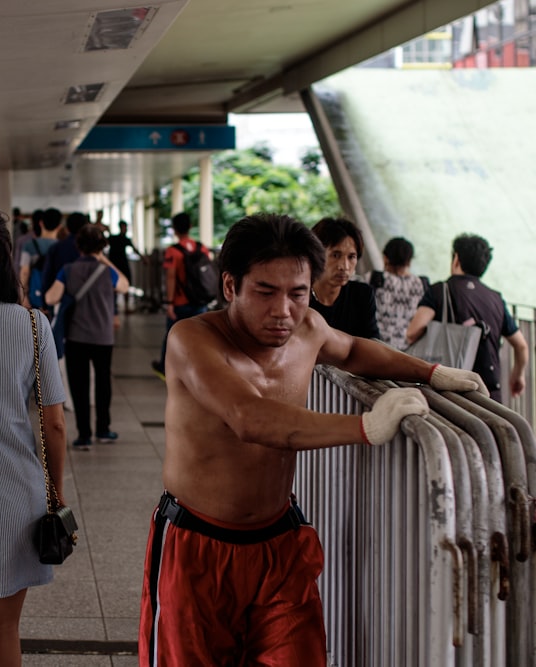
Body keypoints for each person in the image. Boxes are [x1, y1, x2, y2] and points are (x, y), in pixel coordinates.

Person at [139, 213, 487, 667]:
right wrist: (365, 427)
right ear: (230, 286)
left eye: (298, 293)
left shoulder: (308, 329)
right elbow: (250, 418)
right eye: (265, 292)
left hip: (279, 543)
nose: (283, 310)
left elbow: (356, 349)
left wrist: (432, 373)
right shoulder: (192, 339)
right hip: (197, 547)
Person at [0, 209, 68, 667]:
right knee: (4, 629)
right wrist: (55, 494)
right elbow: (54, 424)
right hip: (16, 493)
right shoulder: (33, 325)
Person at [407, 233, 529, 403]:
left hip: (450, 392)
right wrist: (518, 375)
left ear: (456, 259)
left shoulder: (439, 290)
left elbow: (412, 332)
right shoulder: (496, 298)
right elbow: (521, 346)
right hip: (488, 392)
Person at [45, 225, 129, 449]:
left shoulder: (68, 270)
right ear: (101, 247)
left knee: (79, 385)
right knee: (103, 383)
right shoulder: (107, 272)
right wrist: (105, 260)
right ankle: (103, 429)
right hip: (103, 337)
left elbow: (51, 297)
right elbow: (124, 285)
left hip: (76, 337)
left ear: (78, 246)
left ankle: (83, 435)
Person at [151, 212, 210, 379]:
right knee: (200, 337)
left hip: (180, 302)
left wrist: (169, 302)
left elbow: (170, 277)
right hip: (199, 300)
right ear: (190, 226)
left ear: (175, 230)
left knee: (172, 336)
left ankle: (164, 367)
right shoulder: (202, 248)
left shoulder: (173, 252)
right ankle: (198, 369)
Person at [309, 217, 380, 339]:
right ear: (316, 255)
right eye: (335, 255)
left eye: (351, 257)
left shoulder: (361, 295)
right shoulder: (299, 296)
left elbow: (372, 343)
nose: (344, 266)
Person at [367, 237, 428, 350]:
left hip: (375, 345)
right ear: (409, 261)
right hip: (405, 351)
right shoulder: (421, 284)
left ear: (385, 258)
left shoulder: (374, 278)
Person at [19, 208, 62, 310]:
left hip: (34, 296)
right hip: (55, 297)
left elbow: (24, 272)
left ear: (41, 223)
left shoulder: (29, 245)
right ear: (59, 227)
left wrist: (23, 296)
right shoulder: (61, 247)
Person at [107, 220, 143, 314]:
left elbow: (134, 249)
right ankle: (114, 307)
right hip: (116, 265)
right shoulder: (114, 238)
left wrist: (143, 258)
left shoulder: (123, 239)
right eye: (124, 227)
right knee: (114, 286)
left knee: (125, 285)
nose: (126, 229)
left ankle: (125, 307)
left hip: (121, 265)